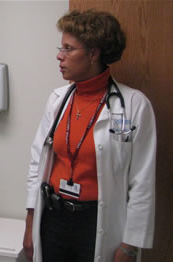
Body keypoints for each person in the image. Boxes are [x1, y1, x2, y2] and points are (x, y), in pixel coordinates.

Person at [23, 9, 156, 262]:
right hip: (53, 219)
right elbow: (36, 164)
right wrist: (30, 223)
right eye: (60, 48)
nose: (59, 56)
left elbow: (142, 182)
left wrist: (130, 246)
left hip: (97, 223)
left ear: (94, 53)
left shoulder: (134, 105)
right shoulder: (57, 100)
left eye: (69, 49)